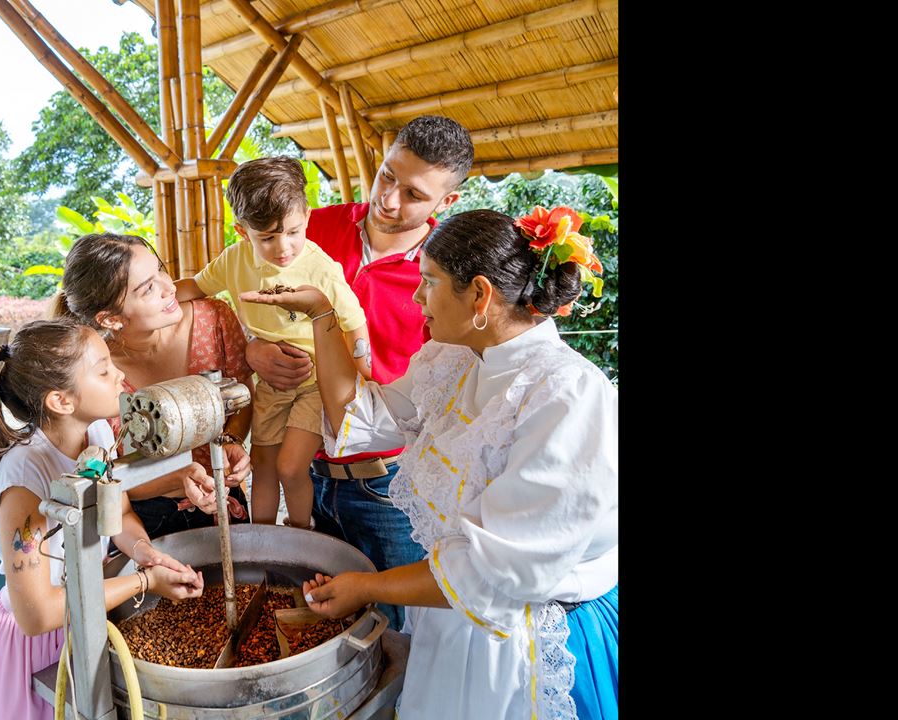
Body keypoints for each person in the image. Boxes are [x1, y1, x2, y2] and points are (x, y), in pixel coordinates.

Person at [238, 208, 618, 719]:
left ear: (480, 295)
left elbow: (496, 573)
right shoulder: (456, 357)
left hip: (523, 635)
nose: (417, 297)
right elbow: (364, 415)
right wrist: (322, 314)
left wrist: (367, 587)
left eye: (429, 282)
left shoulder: (566, 396)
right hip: (452, 619)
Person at [244, 115, 475, 629]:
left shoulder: (447, 278)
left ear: (446, 203)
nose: (390, 200)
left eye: (414, 193)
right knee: (324, 629)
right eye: (387, 176)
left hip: (389, 488)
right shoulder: (305, 229)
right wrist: (251, 348)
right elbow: (231, 295)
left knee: (400, 632)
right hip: (306, 476)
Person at [0, 318, 207, 720]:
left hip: (87, 617)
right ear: (61, 401)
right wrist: (144, 582)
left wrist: (147, 555)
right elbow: (36, 614)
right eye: (104, 370)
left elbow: (119, 512)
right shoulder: (26, 480)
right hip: (35, 649)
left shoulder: (98, 436)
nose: (119, 375)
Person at [175, 156, 371, 528]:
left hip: (316, 384)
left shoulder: (320, 267)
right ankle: (261, 540)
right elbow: (195, 287)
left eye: (294, 231)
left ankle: (298, 534)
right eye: (267, 237)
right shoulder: (233, 261)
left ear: (307, 217)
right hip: (270, 383)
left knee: (290, 465)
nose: (284, 246)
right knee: (262, 464)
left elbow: (354, 323)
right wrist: (154, 298)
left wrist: (363, 376)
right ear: (242, 231)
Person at [60, 233, 253, 537]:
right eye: (148, 288)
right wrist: (179, 481)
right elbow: (106, 476)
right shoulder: (97, 375)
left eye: (160, 270)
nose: (169, 287)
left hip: (224, 498)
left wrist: (232, 439)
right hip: (147, 520)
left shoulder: (213, 318)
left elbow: (242, 394)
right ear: (110, 319)